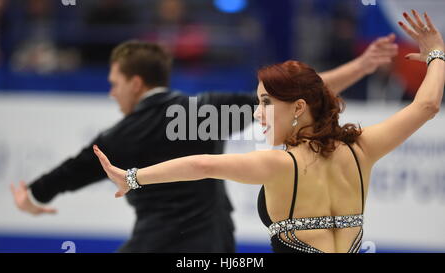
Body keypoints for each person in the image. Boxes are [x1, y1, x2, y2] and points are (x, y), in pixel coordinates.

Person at [93, 10, 444, 253]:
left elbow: (202, 166)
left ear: (298, 108)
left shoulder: (281, 166)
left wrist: (133, 178)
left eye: (265, 103)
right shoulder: (362, 149)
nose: (258, 114)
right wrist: (436, 55)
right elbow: (426, 106)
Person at [10, 34, 398, 253]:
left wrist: (33, 195)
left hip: (155, 245)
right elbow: (303, 96)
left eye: (114, 84)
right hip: (216, 245)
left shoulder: (119, 136)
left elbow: (72, 170)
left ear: (136, 83)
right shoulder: (205, 111)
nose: (111, 93)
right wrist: (361, 67)